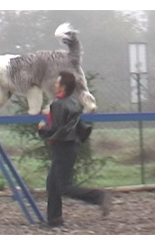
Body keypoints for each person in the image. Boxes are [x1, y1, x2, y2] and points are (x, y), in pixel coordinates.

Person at [38, 71, 111, 227]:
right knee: (52, 184)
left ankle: (99, 197)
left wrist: (42, 129)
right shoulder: (73, 102)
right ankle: (54, 219)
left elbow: (58, 129)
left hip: (63, 146)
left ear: (62, 87)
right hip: (71, 145)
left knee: (64, 187)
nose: (55, 85)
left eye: (57, 83)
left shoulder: (57, 104)